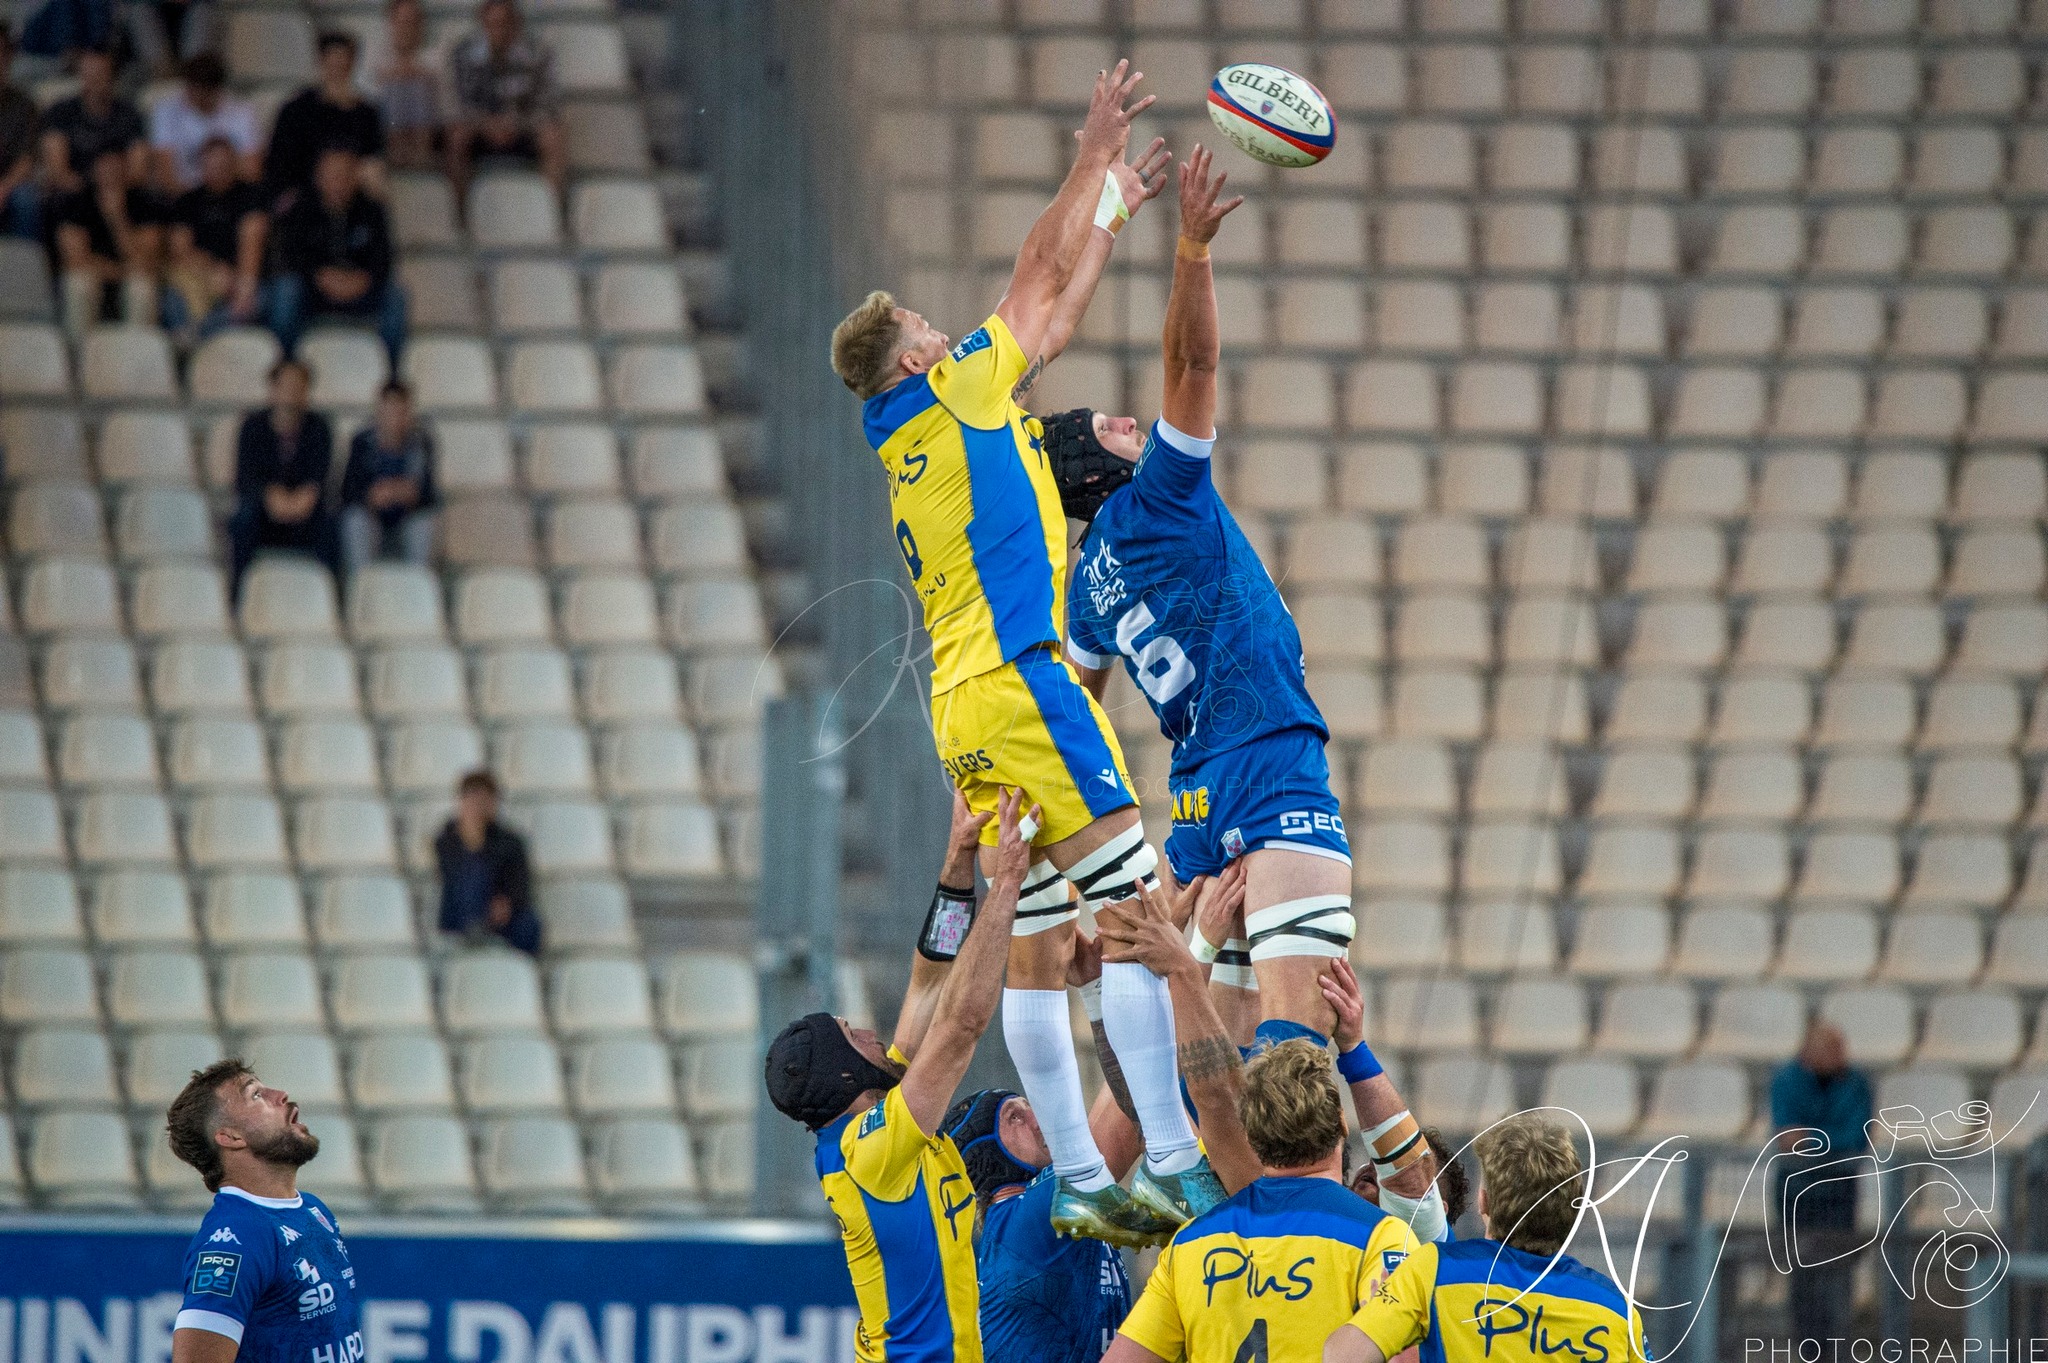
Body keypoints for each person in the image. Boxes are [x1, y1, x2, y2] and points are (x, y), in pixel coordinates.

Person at [1055, 144, 1454, 1246]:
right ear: (1100, 472)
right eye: (1113, 428)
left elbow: (1076, 709)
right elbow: (1192, 363)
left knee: (1175, 983)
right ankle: (1303, 1247)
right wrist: (1189, 247)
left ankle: (1095, 1182)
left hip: (1192, 790)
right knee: (1291, 1059)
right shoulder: (1164, 502)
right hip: (1271, 766)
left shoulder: (1082, 583)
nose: (1133, 422)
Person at [830, 61, 1199, 1247]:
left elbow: (1051, 310)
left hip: (960, 711)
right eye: (931, 330)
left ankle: (1087, 1178)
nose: (952, 332)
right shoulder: (958, 395)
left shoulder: (916, 434)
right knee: (1140, 909)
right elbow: (1039, 286)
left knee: (1043, 935)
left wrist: (1115, 211)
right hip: (1022, 682)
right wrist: (1090, 157)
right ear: (911, 360)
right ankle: (1182, 1159)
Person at [764, 787, 1034, 1363]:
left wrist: (959, 861)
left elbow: (931, 978)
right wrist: (1006, 884)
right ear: (843, 1074)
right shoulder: (874, 1149)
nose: (871, 1032)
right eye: (852, 1033)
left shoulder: (871, 1122)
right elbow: (960, 1025)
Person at [1103, 1039, 1421, 1363]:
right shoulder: (1381, 1237)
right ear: (1341, 1121)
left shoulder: (1188, 1245)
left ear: (1252, 1136)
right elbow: (1403, 1357)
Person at [1325, 1114, 1653, 1363]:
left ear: (1484, 1201)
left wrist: (1373, 1314)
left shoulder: (1435, 1271)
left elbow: (1340, 1357)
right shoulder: (1615, 1309)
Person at [164, 1059, 361, 1363]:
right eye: (255, 1094)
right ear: (230, 1137)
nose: (280, 1094)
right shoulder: (236, 1238)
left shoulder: (312, 1208)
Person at [1770, 1020, 1874, 1355]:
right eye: (1832, 1049)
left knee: (1838, 1278)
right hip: (1796, 1194)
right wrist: (1827, 1141)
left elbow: (1856, 1139)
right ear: (1810, 1051)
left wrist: (1812, 1139)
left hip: (1839, 1195)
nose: (1841, 1056)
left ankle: (1838, 1350)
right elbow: (1786, 1137)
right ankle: (1806, 1349)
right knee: (1802, 1279)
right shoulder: (1786, 1080)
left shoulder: (1856, 1083)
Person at [268, 147, 406, 365]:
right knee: (285, 291)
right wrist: (320, 277)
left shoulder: (372, 210)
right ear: (319, 178)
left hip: (360, 290)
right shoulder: (302, 208)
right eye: (332, 176)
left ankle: (392, 374)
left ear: (355, 178)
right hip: (315, 291)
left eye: (344, 175)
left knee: (396, 297)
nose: (338, 182)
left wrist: (361, 280)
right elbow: (291, 256)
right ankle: (287, 367)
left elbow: (383, 259)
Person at [228, 357, 338, 603]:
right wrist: (270, 496)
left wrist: (302, 499)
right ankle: (238, 598)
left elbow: (319, 478)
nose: (291, 393)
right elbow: (245, 478)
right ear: (273, 389)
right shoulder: (252, 426)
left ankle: (330, 600)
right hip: (264, 513)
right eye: (285, 385)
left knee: (331, 523)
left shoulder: (319, 428)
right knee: (243, 518)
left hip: (303, 513)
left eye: (298, 386)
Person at [445, 0, 564, 198]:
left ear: (516, 25)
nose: (499, 32)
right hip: (480, 129)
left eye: (505, 24)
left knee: (554, 137)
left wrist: (515, 122)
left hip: (523, 129)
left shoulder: (539, 53)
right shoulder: (463, 53)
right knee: (456, 137)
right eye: (493, 25)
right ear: (483, 25)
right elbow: (459, 101)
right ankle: (459, 212)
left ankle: (550, 209)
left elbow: (548, 103)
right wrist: (487, 124)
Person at [162, 134, 265, 341]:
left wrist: (239, 284)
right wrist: (212, 271)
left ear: (234, 164)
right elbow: (180, 249)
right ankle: (190, 339)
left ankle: (194, 337)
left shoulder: (251, 196)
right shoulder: (188, 201)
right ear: (201, 166)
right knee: (171, 297)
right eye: (212, 165)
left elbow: (252, 242)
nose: (218, 171)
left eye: (224, 165)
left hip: (240, 280)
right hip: (202, 276)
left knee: (254, 302)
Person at [51, 146, 163, 336]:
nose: (111, 173)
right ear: (95, 170)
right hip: (101, 275)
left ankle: (137, 357)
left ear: (126, 169)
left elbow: (146, 261)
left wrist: (117, 218)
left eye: (116, 166)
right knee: (78, 284)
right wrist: (120, 270)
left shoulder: (144, 203)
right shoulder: (76, 201)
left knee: (141, 289)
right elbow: (75, 260)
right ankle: (78, 358)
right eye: (105, 167)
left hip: (127, 278)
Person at [264, 30, 386, 204]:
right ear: (321, 62)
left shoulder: (366, 113)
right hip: (304, 199)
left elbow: (371, 159)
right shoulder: (295, 110)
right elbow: (279, 165)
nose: (337, 69)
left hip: (350, 198)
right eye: (332, 62)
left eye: (343, 63)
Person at [434, 768, 539, 954]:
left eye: (485, 800)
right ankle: (473, 934)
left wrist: (507, 902)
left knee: (529, 924)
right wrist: (473, 838)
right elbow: (452, 876)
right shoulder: (447, 839)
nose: (479, 807)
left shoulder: (510, 841)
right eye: (474, 800)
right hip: (462, 910)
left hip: (502, 913)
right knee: (472, 876)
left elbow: (520, 882)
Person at [339, 378, 437, 578]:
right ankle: (361, 585)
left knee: (425, 524)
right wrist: (371, 496)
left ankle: (419, 588)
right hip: (372, 518)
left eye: (401, 411)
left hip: (407, 518)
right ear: (379, 411)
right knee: (355, 521)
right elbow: (348, 490)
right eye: (389, 411)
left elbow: (429, 494)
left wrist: (409, 494)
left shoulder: (422, 443)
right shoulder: (362, 442)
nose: (395, 418)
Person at [38, 47, 148, 196]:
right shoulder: (61, 113)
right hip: (78, 193)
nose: (94, 81)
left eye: (100, 75)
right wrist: (94, 182)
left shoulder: (129, 114)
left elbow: (138, 170)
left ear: (112, 77)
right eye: (89, 75)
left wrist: (112, 178)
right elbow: (58, 171)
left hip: (123, 190)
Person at [148, 52, 260, 194]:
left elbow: (252, 171)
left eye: (201, 93)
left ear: (216, 90)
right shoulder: (167, 111)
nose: (192, 96)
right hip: (184, 197)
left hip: (230, 197)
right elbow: (165, 173)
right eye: (190, 88)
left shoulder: (242, 112)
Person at [371, 0, 441, 169]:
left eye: (411, 22)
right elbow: (369, 91)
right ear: (392, 23)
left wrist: (400, 72)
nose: (406, 28)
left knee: (418, 86)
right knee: (396, 88)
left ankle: (420, 155)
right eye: (401, 22)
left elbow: (439, 87)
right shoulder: (375, 52)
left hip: (430, 122)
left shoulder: (435, 52)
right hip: (384, 122)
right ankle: (397, 155)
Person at [0, 29, 43, 239]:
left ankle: (24, 267)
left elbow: (27, 159)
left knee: (26, 199)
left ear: (8, 58)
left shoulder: (24, 106)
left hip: (11, 184)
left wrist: (4, 188)